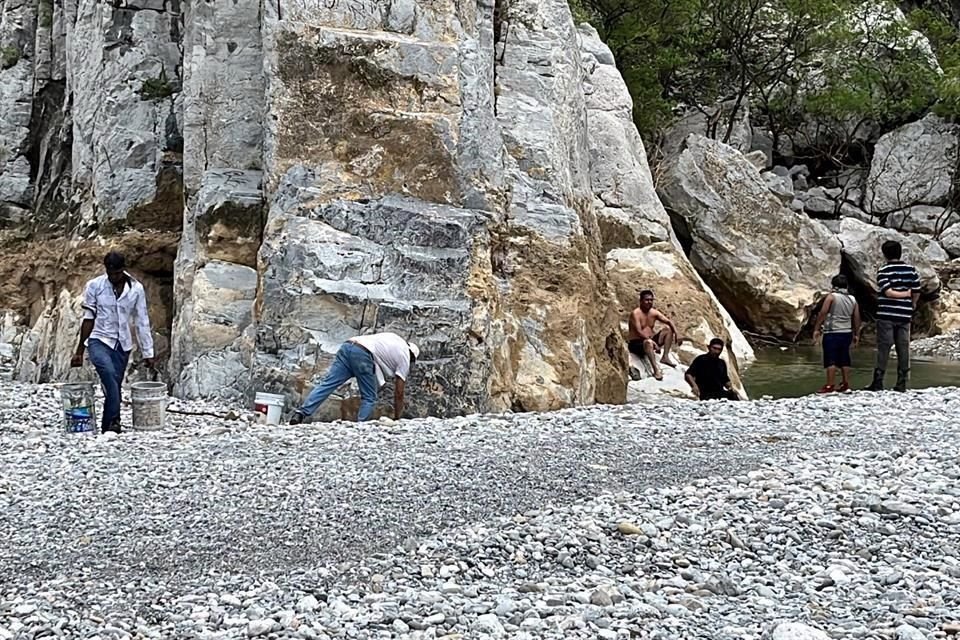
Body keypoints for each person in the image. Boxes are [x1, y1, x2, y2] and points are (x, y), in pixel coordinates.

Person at [70, 251, 155, 433]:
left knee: (114, 383)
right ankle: (113, 423)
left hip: (122, 344)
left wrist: (148, 352)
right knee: (108, 374)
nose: (114, 277)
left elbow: (142, 320)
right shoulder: (95, 286)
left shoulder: (136, 289)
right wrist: (79, 351)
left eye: (117, 273)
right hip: (98, 339)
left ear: (123, 269)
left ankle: (108, 424)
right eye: (110, 274)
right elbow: (88, 318)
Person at [289, 332, 419, 424]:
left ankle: (301, 413)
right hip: (363, 354)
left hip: (348, 346)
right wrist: (397, 418)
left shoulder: (395, 338)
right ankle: (360, 426)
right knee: (369, 397)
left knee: (327, 384)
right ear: (412, 357)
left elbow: (378, 354)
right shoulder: (405, 357)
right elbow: (399, 392)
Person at [867, 240, 921, 392]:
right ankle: (901, 382)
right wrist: (912, 303)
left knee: (884, 347)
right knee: (903, 347)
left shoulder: (883, 271)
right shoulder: (911, 270)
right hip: (904, 314)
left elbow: (888, 292)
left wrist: (903, 294)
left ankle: (878, 382)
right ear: (900, 253)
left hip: (886, 314)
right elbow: (917, 290)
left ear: (884, 254)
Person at [812, 274, 861, 393]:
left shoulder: (831, 297)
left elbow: (823, 313)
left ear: (834, 285)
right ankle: (845, 384)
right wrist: (856, 334)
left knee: (831, 359)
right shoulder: (853, 299)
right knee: (845, 358)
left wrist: (816, 328)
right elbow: (856, 317)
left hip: (832, 332)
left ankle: (830, 385)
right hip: (847, 332)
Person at [627, 289, 679, 381]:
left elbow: (668, 321)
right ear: (641, 301)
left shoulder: (653, 312)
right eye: (647, 300)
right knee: (648, 342)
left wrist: (677, 333)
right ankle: (656, 370)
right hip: (637, 344)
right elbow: (639, 331)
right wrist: (653, 343)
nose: (649, 302)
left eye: (651, 300)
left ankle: (665, 357)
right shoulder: (635, 314)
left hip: (650, 340)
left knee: (668, 330)